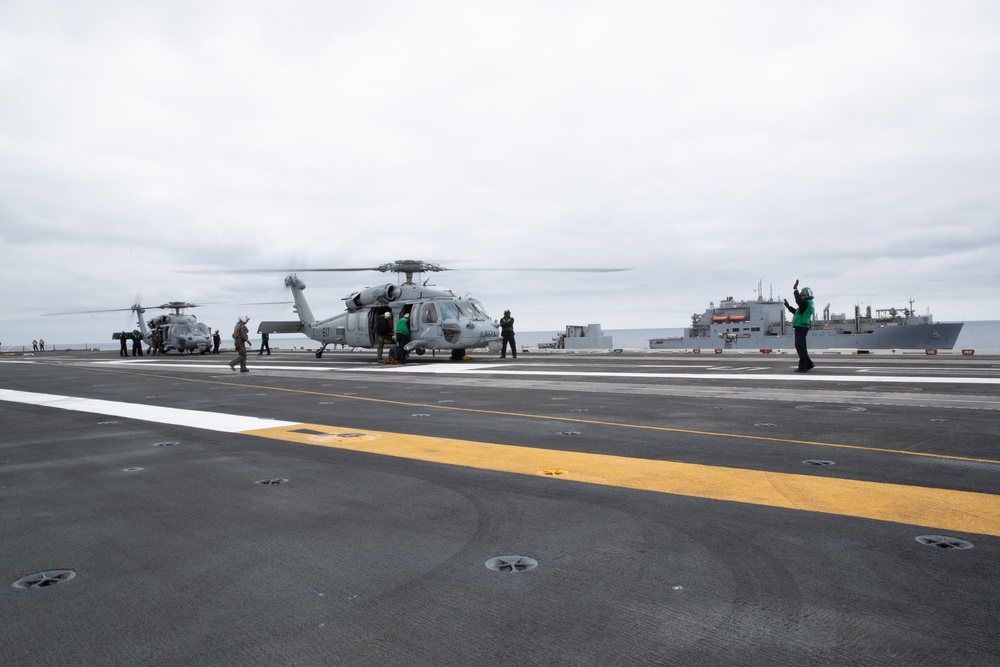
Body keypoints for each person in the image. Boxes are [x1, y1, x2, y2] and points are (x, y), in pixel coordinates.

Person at [784, 280, 815, 372]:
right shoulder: (807, 304)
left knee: (800, 347)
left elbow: (798, 300)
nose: (801, 295)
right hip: (802, 327)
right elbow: (797, 313)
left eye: (802, 293)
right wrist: (788, 307)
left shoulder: (805, 303)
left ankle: (803, 367)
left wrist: (795, 289)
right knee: (802, 346)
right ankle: (809, 364)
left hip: (801, 327)